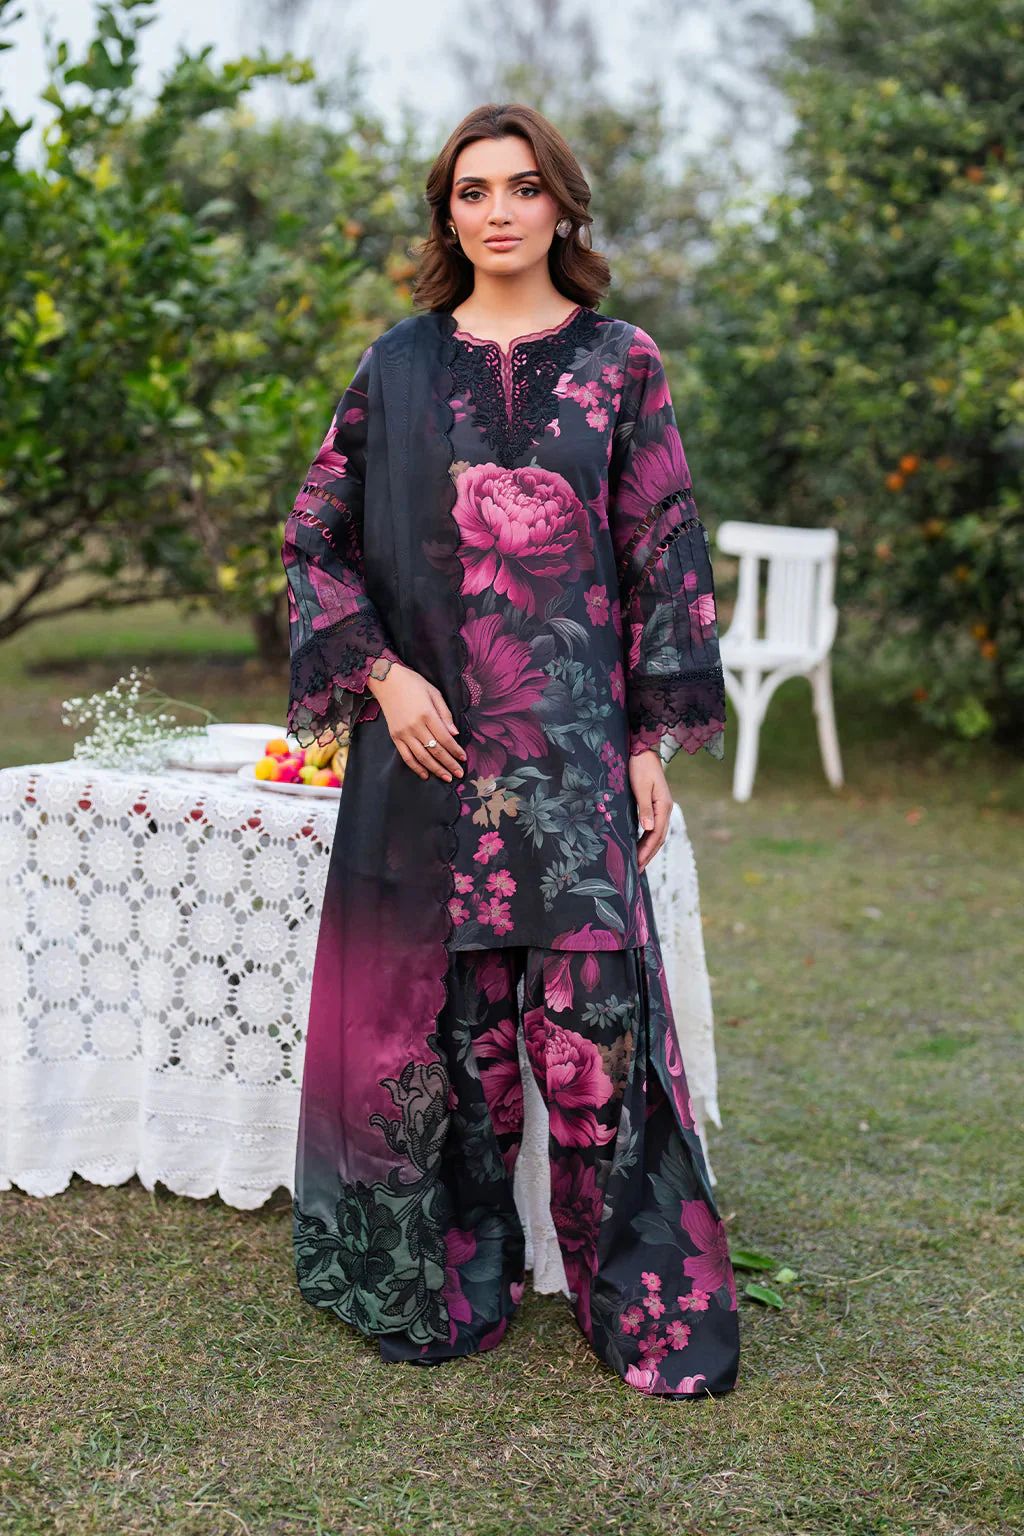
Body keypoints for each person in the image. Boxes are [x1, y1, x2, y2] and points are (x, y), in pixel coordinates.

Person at [281, 102, 740, 1397]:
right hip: (430, 767)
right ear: (448, 213)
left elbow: (662, 552)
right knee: (453, 1039)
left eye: (523, 186)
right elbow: (315, 539)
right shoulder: (396, 366)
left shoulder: (621, 362)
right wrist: (384, 679)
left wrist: (648, 742)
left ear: (561, 206)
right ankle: (448, 1280)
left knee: (597, 1034)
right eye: (472, 190)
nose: (498, 211)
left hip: (574, 758)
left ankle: (640, 1302)